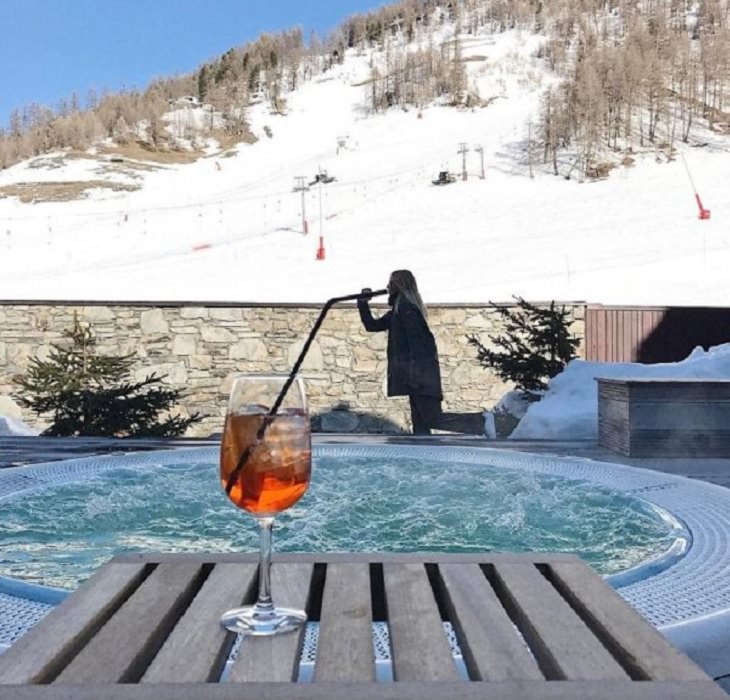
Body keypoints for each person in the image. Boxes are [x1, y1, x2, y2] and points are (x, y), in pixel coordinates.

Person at [358, 270, 442, 434]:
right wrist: (363, 303)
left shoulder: (406, 309)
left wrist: (415, 376)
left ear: (398, 285)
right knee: (423, 422)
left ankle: (482, 423)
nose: (387, 287)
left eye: (391, 283)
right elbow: (372, 325)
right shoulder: (399, 310)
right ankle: (423, 454)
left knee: (432, 419)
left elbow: (417, 345)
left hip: (421, 378)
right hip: (420, 377)